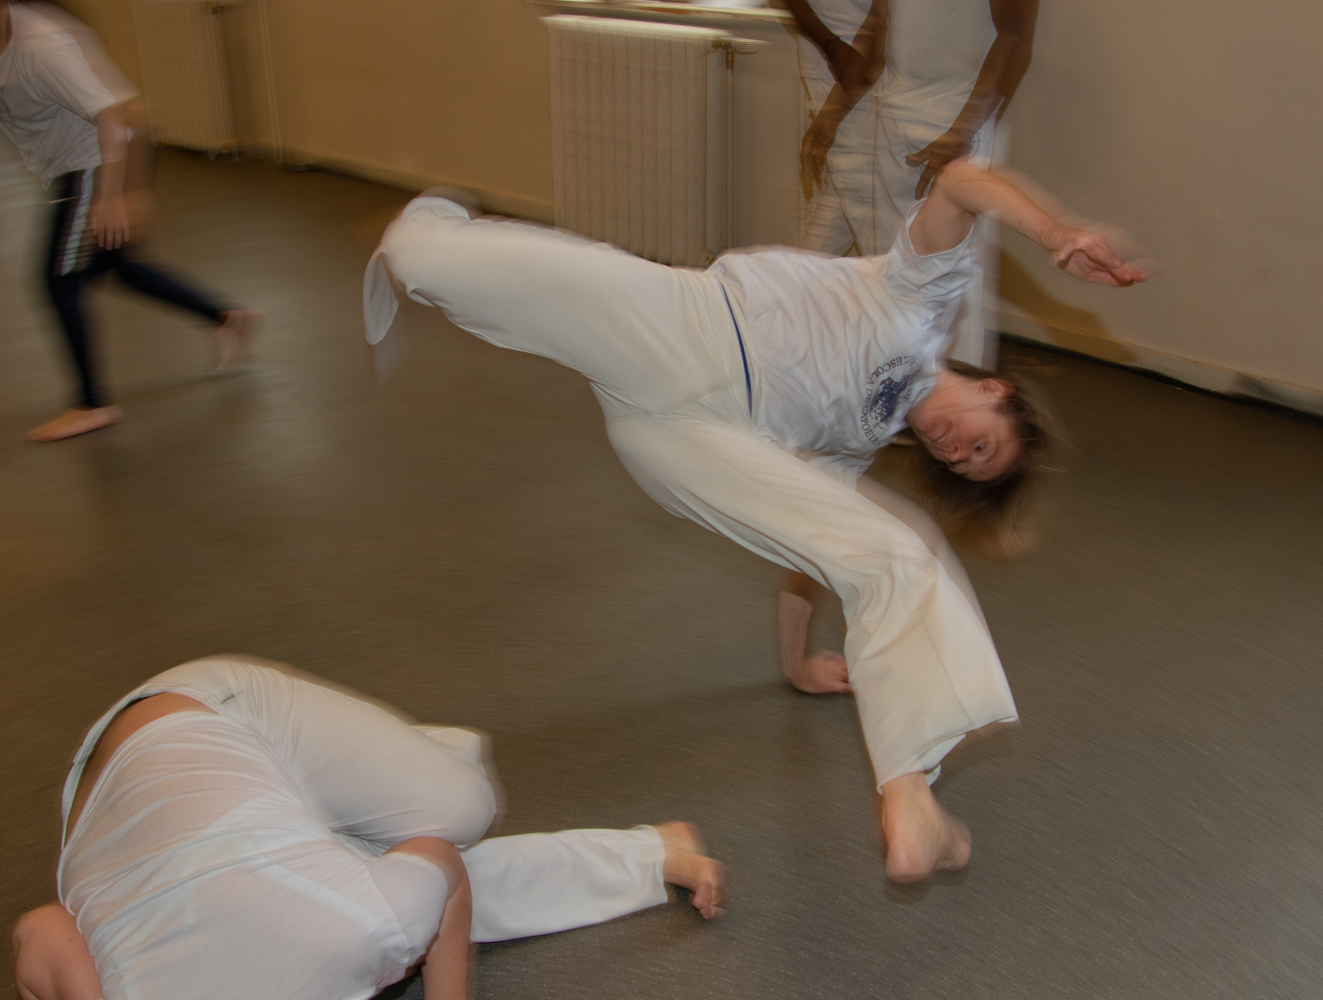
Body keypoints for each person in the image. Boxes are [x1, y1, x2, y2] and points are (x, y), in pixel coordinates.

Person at [363, 161, 1145, 882]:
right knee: (430, 260)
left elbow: (807, 552)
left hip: (686, 442)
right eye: (980, 443)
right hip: (689, 326)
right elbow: (963, 181)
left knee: (894, 550)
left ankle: (909, 793)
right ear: (996, 392)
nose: (956, 452)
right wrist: (1058, 232)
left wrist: (796, 663)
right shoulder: (923, 300)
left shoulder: (859, 440)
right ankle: (427, 226)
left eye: (965, 465)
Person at [13, 656, 724, 1000]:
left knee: (461, 815)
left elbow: (442, 865)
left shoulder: (354, 930)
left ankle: (380, 788)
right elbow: (43, 930)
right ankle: (651, 853)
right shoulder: (354, 927)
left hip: (206, 711)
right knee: (401, 905)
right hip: (107, 803)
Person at [0, 0, 260, 442]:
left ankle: (92, 404)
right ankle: (227, 317)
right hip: (71, 168)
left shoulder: (40, 46)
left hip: (95, 164)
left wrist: (118, 195)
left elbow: (114, 116)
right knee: (117, 267)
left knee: (59, 281)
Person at [795, 0, 1039, 369]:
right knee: (893, 263)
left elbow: (1014, 36)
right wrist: (833, 111)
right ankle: (896, 384)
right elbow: (879, 25)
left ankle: (952, 387)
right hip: (893, 110)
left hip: (957, 113)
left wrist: (960, 131)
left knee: (952, 274)